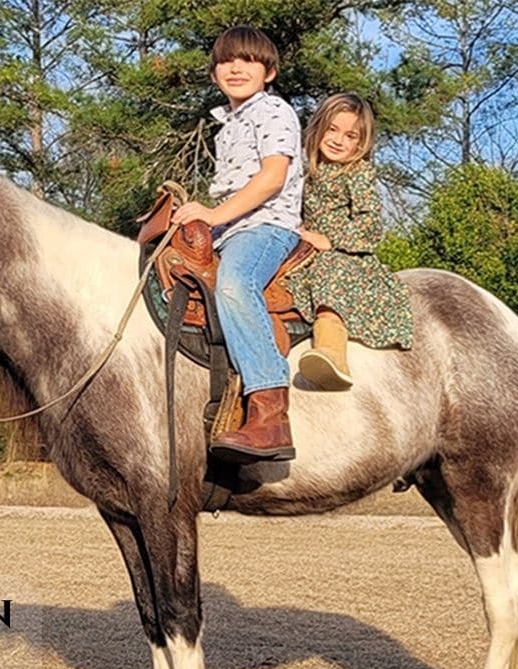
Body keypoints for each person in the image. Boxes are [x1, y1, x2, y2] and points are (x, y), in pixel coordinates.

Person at [172, 26, 302, 463]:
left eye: (247, 61)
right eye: (226, 61)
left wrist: (211, 215)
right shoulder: (228, 124)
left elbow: (272, 178)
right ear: (213, 75)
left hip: (267, 227)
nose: (235, 68)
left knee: (234, 284)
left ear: (269, 72)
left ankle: (270, 413)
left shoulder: (273, 111)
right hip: (233, 228)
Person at [287, 93, 413, 389]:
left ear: (360, 144)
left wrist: (330, 240)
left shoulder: (358, 173)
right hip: (309, 251)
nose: (338, 140)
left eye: (349, 135)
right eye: (332, 129)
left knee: (330, 280)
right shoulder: (309, 175)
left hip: (343, 254)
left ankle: (332, 354)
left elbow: (371, 225)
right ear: (318, 129)